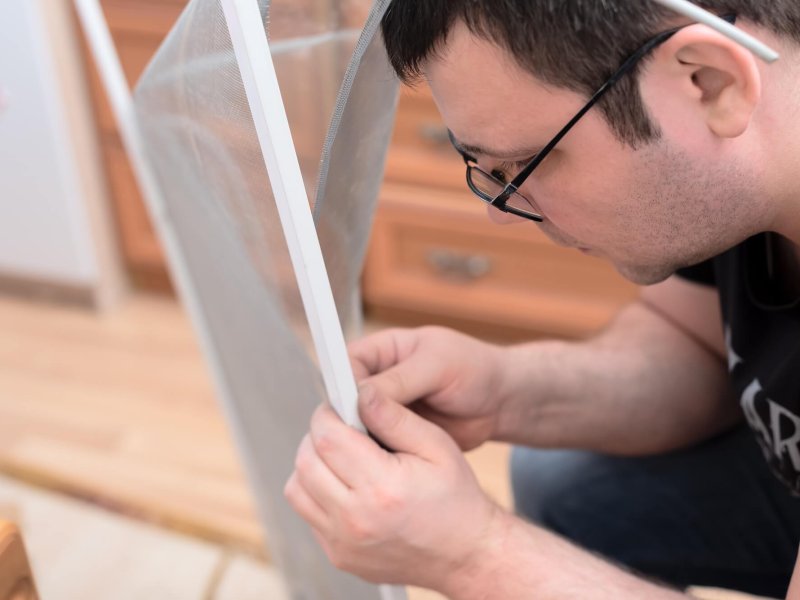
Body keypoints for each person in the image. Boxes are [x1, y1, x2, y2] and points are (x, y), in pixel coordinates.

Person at [284, 1, 800, 598]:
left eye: (526, 163)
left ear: (711, 81)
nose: (500, 215)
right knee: (565, 484)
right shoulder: (740, 176)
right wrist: (503, 387)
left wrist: (476, 554)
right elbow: (696, 346)